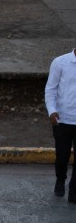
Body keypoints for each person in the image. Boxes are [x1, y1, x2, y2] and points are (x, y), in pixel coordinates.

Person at [46, 41, 76, 201]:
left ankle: (74, 191)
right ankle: (60, 180)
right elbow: (50, 88)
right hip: (63, 119)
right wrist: (52, 110)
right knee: (62, 156)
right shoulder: (60, 63)